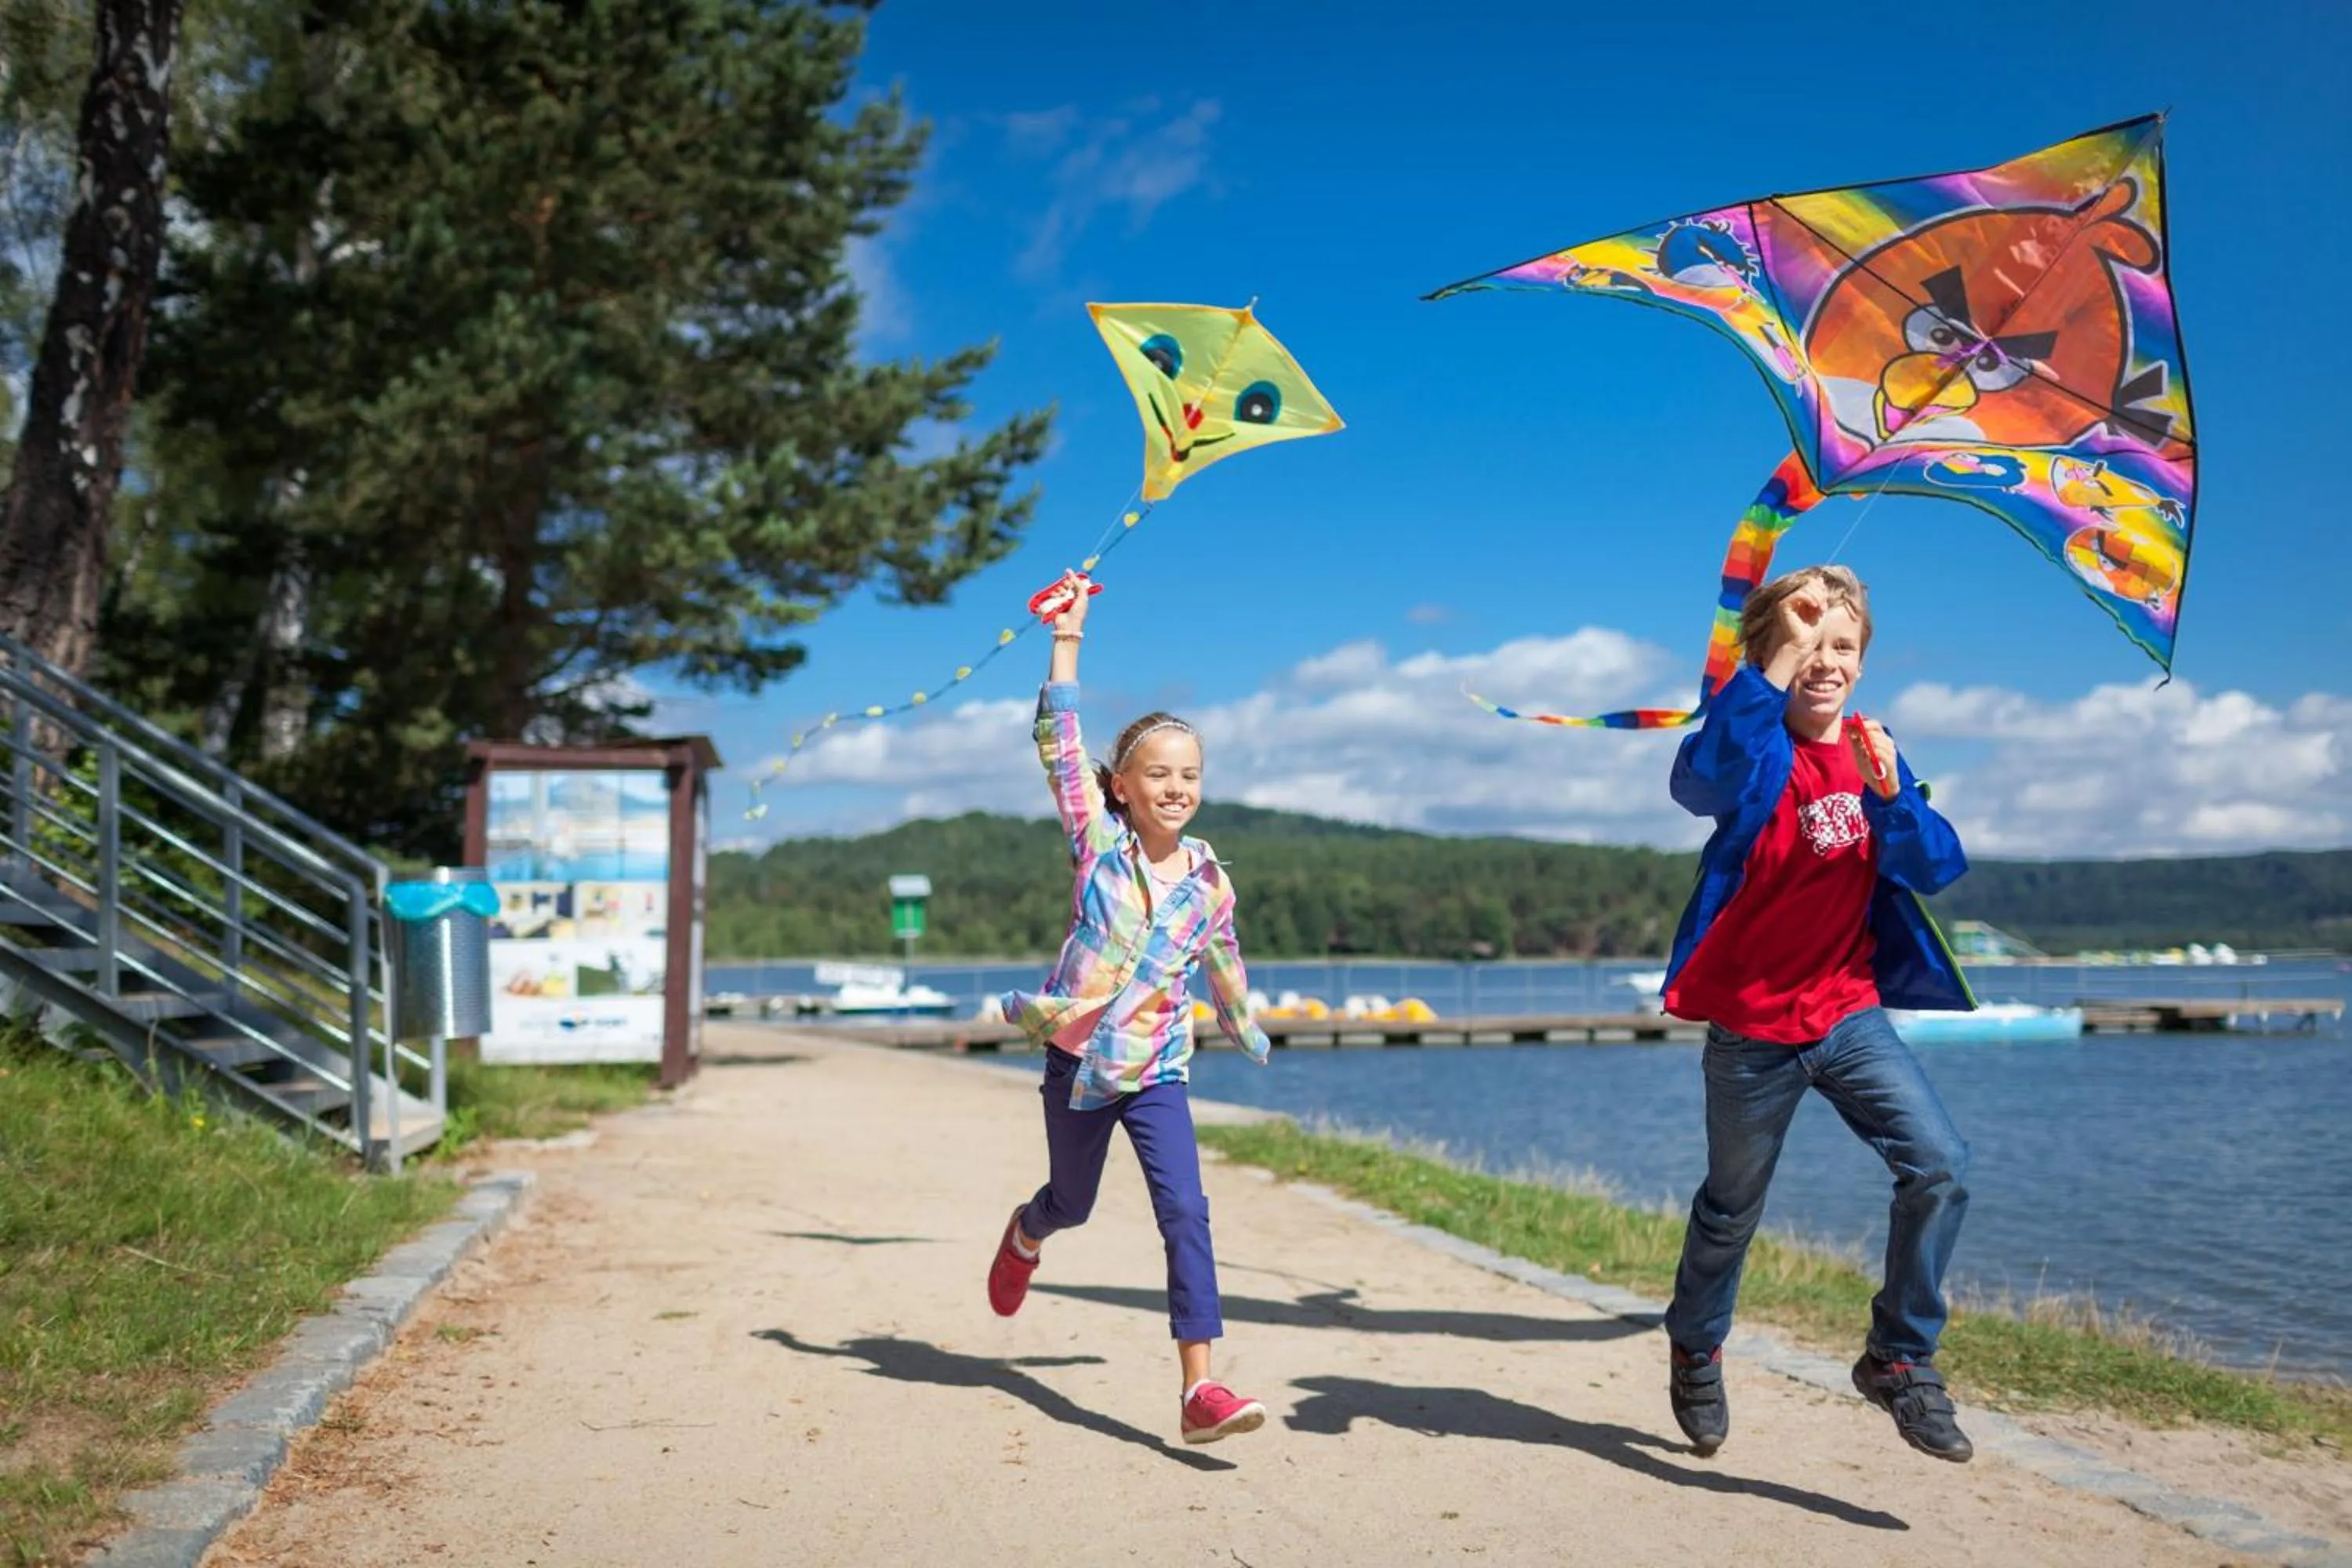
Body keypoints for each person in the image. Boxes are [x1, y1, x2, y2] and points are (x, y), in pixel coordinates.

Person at [1657, 564, 1978, 1463]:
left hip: (1847, 1010)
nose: (1826, 660)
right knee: (1731, 1207)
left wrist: (1893, 797)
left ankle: (1900, 1359)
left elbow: (1936, 865)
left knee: (1942, 1163)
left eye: (1844, 645)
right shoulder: (1754, 746)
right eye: (1808, 642)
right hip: (1752, 1028)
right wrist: (1776, 650)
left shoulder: (1876, 747)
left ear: (1865, 661)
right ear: (1772, 653)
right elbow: (1699, 782)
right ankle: (1696, 1342)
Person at [984, 570, 1274, 1446]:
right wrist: (1066, 639)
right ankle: (1027, 1230)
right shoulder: (1098, 846)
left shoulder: (1212, 881)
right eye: (1159, 773)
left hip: (1156, 1069)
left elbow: (1220, 961)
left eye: (1190, 773)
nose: (1177, 786)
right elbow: (1060, 746)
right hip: (1077, 1063)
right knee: (1071, 1202)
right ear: (1121, 786)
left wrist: (1244, 1023)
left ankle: (1201, 1390)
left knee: (1186, 1211)